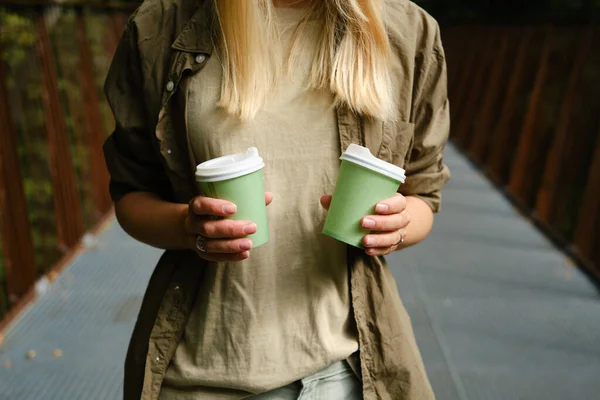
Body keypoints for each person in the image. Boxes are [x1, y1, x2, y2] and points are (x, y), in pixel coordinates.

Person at [103, 0, 450, 398]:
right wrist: (187, 227)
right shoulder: (160, 24)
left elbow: (423, 194)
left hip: (345, 374)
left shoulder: (408, 30)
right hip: (196, 376)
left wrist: (399, 225)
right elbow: (132, 194)